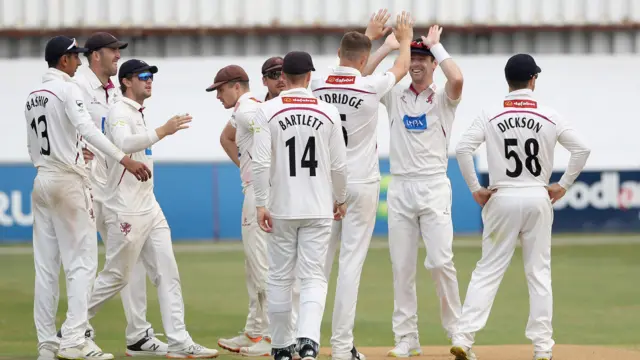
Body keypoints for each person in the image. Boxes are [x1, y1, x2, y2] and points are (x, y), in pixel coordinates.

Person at [450, 54, 591, 360]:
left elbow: (462, 149)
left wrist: (476, 189)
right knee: (539, 273)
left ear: (508, 81)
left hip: (502, 196)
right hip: (538, 195)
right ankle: (542, 348)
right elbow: (582, 148)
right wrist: (563, 184)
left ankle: (463, 337)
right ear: (532, 80)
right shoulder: (549, 114)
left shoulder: (490, 113)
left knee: (487, 271)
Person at [26, 35, 151, 360]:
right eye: (75, 57)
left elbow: (31, 146)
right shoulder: (68, 89)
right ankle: (74, 340)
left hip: (41, 179)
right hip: (69, 180)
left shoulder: (33, 96)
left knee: (46, 268)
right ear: (63, 61)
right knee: (82, 264)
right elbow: (89, 129)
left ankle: (46, 346)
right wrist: (123, 158)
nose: (79, 62)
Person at [84, 58, 218, 359]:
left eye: (151, 77)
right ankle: (72, 327)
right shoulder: (119, 110)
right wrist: (163, 130)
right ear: (126, 81)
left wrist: (159, 130)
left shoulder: (137, 112)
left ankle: (180, 341)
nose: (149, 81)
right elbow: (121, 141)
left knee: (167, 272)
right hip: (126, 208)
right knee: (117, 275)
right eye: (143, 76)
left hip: (148, 204)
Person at [309, 9, 413, 360]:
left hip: (324, 185)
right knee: (349, 266)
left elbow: (350, 70)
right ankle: (341, 348)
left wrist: (369, 39)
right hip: (362, 182)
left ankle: (302, 340)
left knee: (316, 266)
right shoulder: (370, 85)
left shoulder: (317, 83)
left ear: (339, 54)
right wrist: (405, 37)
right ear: (365, 58)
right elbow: (400, 69)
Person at [366, 25, 465, 357]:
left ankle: (458, 333)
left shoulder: (442, 98)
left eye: (424, 58)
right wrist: (388, 48)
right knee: (402, 267)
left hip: (434, 186)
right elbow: (360, 83)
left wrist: (437, 47)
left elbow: (458, 80)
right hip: (401, 187)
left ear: (433, 62)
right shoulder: (395, 93)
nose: (418, 63)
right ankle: (407, 339)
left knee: (440, 262)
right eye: (415, 57)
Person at [72, 31, 167, 357]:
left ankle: (138, 334)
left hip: (111, 185)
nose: (117, 55)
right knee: (98, 265)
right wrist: (72, 148)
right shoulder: (79, 86)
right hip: (89, 186)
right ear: (95, 55)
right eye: (113, 51)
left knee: (131, 261)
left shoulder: (112, 91)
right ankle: (75, 331)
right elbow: (71, 124)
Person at [252, 51, 348, 360]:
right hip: (319, 206)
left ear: (283, 78)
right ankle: (308, 341)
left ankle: (281, 346)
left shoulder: (266, 111)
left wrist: (260, 203)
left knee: (280, 276)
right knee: (313, 277)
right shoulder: (328, 111)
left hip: (281, 206)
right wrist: (341, 198)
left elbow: (260, 163)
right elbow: (339, 166)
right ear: (309, 76)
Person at [213, 65, 274, 357]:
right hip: (256, 188)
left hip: (260, 194)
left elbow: (269, 145)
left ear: (236, 86)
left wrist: (261, 179)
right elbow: (226, 139)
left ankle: (274, 336)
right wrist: (247, 169)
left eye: (221, 89)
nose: (218, 96)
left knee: (262, 265)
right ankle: (256, 330)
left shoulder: (247, 111)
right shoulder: (249, 109)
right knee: (254, 266)